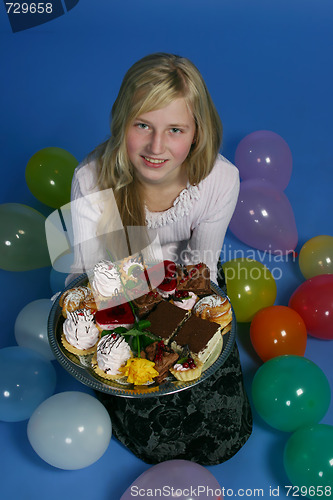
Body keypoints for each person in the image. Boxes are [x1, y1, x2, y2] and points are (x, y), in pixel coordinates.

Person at [69, 52, 252, 465]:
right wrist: (149, 339)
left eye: (175, 130)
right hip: (118, 291)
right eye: (142, 126)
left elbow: (200, 269)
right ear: (122, 123)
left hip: (187, 283)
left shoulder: (220, 179)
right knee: (156, 440)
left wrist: (178, 334)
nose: (156, 147)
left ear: (196, 132)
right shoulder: (91, 179)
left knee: (223, 433)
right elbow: (97, 280)